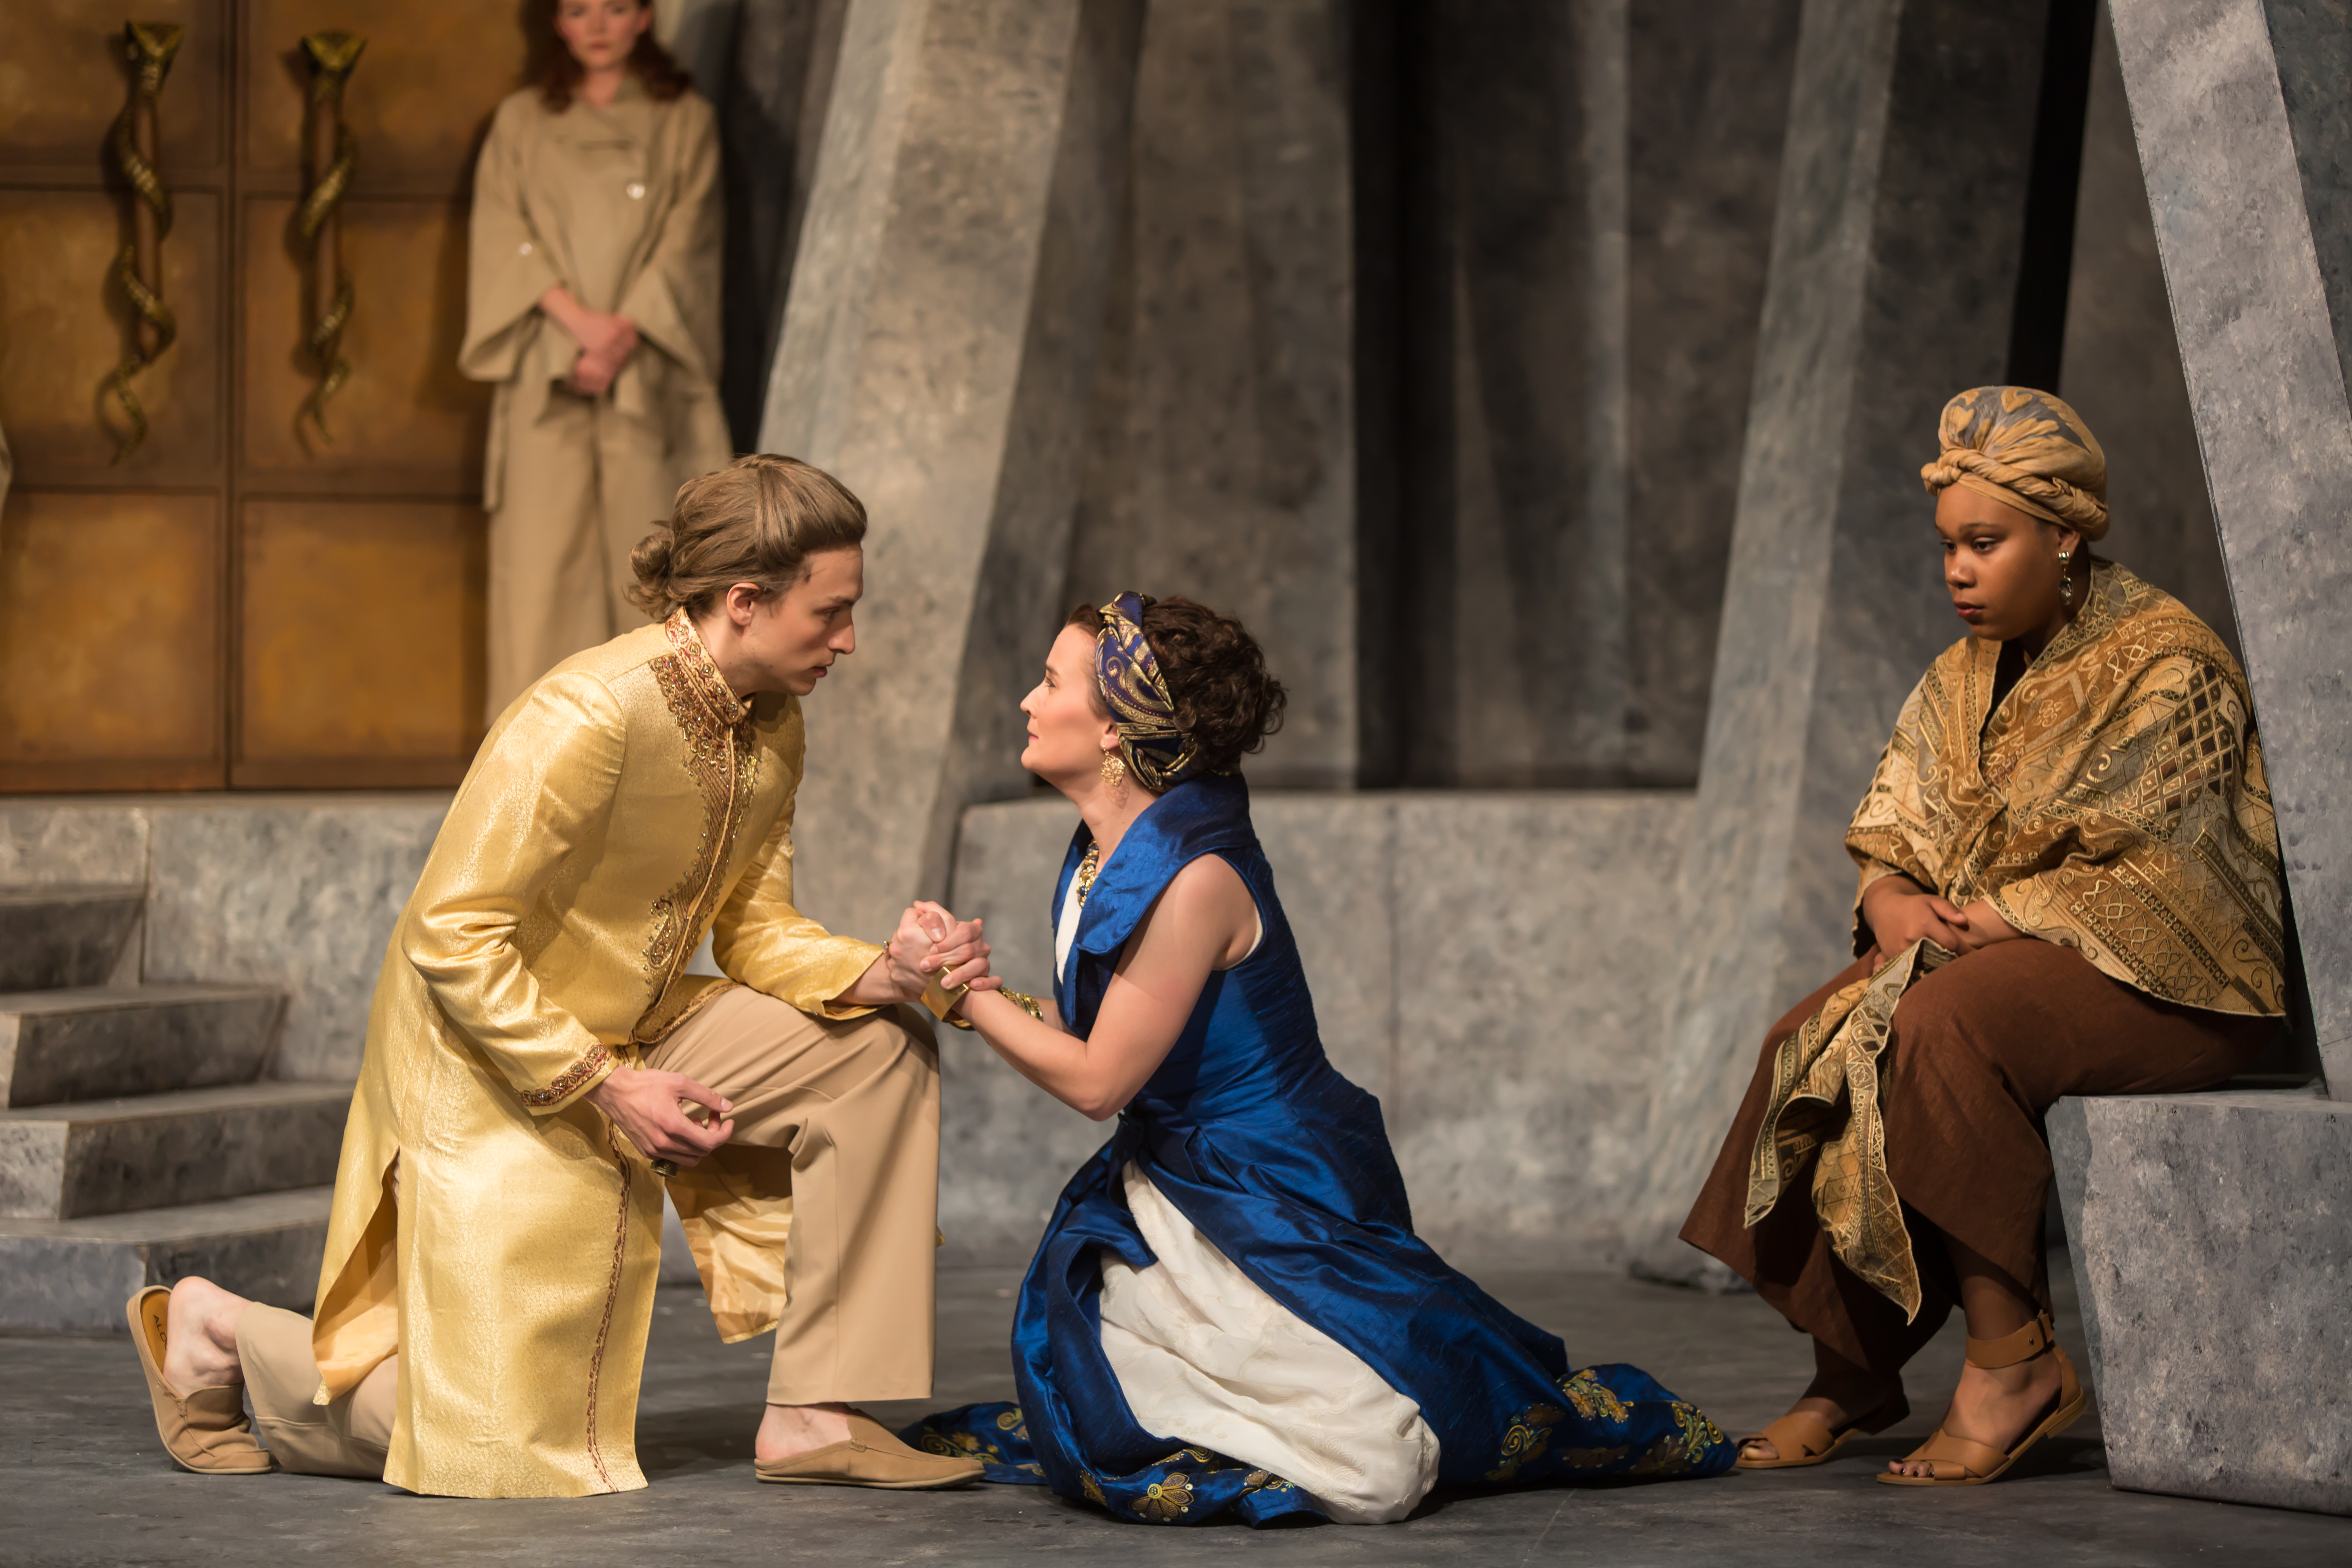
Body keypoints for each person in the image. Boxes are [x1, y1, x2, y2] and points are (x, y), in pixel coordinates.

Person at [125, 456, 993, 1497]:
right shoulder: (591, 711)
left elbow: (756, 931)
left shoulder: (772, 720)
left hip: (646, 1022)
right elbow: (451, 933)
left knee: (877, 1051)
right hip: (495, 1054)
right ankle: (223, 1335)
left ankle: (817, 1413)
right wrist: (608, 1086)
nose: (848, 640)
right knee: (509, 1454)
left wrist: (886, 972)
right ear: (745, 600)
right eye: (831, 613)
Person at [900, 593, 1737, 1526]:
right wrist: (978, 985)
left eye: (1050, 682)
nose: (1028, 700)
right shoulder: (1109, 851)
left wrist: (958, 993)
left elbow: (1100, 1080)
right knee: (1120, 1383)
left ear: (1112, 728)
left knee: (1372, 1462)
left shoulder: (1193, 878)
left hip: (1270, 1184)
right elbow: (1115, 1028)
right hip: (1185, 1178)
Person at [1679, 388, 2287, 1486]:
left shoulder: (2170, 662)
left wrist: (2009, 917)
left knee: (1940, 1027)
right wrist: (1889, 901)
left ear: (2064, 535)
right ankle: (1854, 1370)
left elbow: (2184, 866)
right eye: (1948, 546)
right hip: (1998, 960)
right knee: (1818, 1033)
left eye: (1985, 543)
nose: (1958, 571)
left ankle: (2017, 1364)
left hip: (2178, 985)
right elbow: (1894, 824)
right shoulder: (1962, 673)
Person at [461, 0, 733, 719]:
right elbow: (504, 235)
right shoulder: (522, 121)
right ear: (557, 23)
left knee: (656, 567)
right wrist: (579, 329)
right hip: (547, 366)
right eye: (579, 10)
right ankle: (538, 759)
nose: (598, 26)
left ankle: (668, 753)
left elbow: (689, 240)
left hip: (649, 373)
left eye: (615, 8)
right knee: (540, 574)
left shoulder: (684, 120)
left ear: (644, 18)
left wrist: (623, 332)